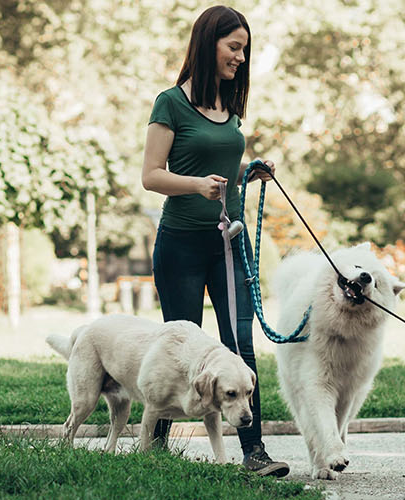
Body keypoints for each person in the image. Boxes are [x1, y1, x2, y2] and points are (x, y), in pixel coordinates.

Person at [138, 5, 286, 477]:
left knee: (240, 342)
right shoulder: (170, 103)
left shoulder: (230, 108)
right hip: (180, 244)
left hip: (228, 243)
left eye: (245, 50)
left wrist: (248, 172)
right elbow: (152, 176)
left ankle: (254, 453)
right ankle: (156, 446)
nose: (241, 58)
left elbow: (222, 169)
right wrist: (197, 184)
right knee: (177, 349)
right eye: (234, 47)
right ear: (209, 45)